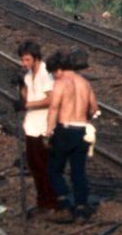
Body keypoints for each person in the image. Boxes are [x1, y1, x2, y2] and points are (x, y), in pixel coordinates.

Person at [44, 50, 99, 222]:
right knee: (78, 172)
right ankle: (81, 208)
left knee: (54, 169)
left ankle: (64, 203)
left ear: (59, 69)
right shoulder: (85, 83)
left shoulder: (60, 83)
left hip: (64, 130)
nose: (54, 75)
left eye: (54, 72)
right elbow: (94, 109)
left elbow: (53, 109)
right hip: (81, 131)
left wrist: (48, 132)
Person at [17, 40, 57, 215]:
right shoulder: (28, 75)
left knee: (45, 167)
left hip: (44, 126)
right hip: (31, 126)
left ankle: (52, 202)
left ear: (35, 58)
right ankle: (42, 201)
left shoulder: (45, 73)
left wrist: (28, 105)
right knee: (34, 165)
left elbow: (51, 99)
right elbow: (26, 98)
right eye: (22, 60)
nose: (23, 63)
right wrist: (21, 87)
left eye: (26, 60)